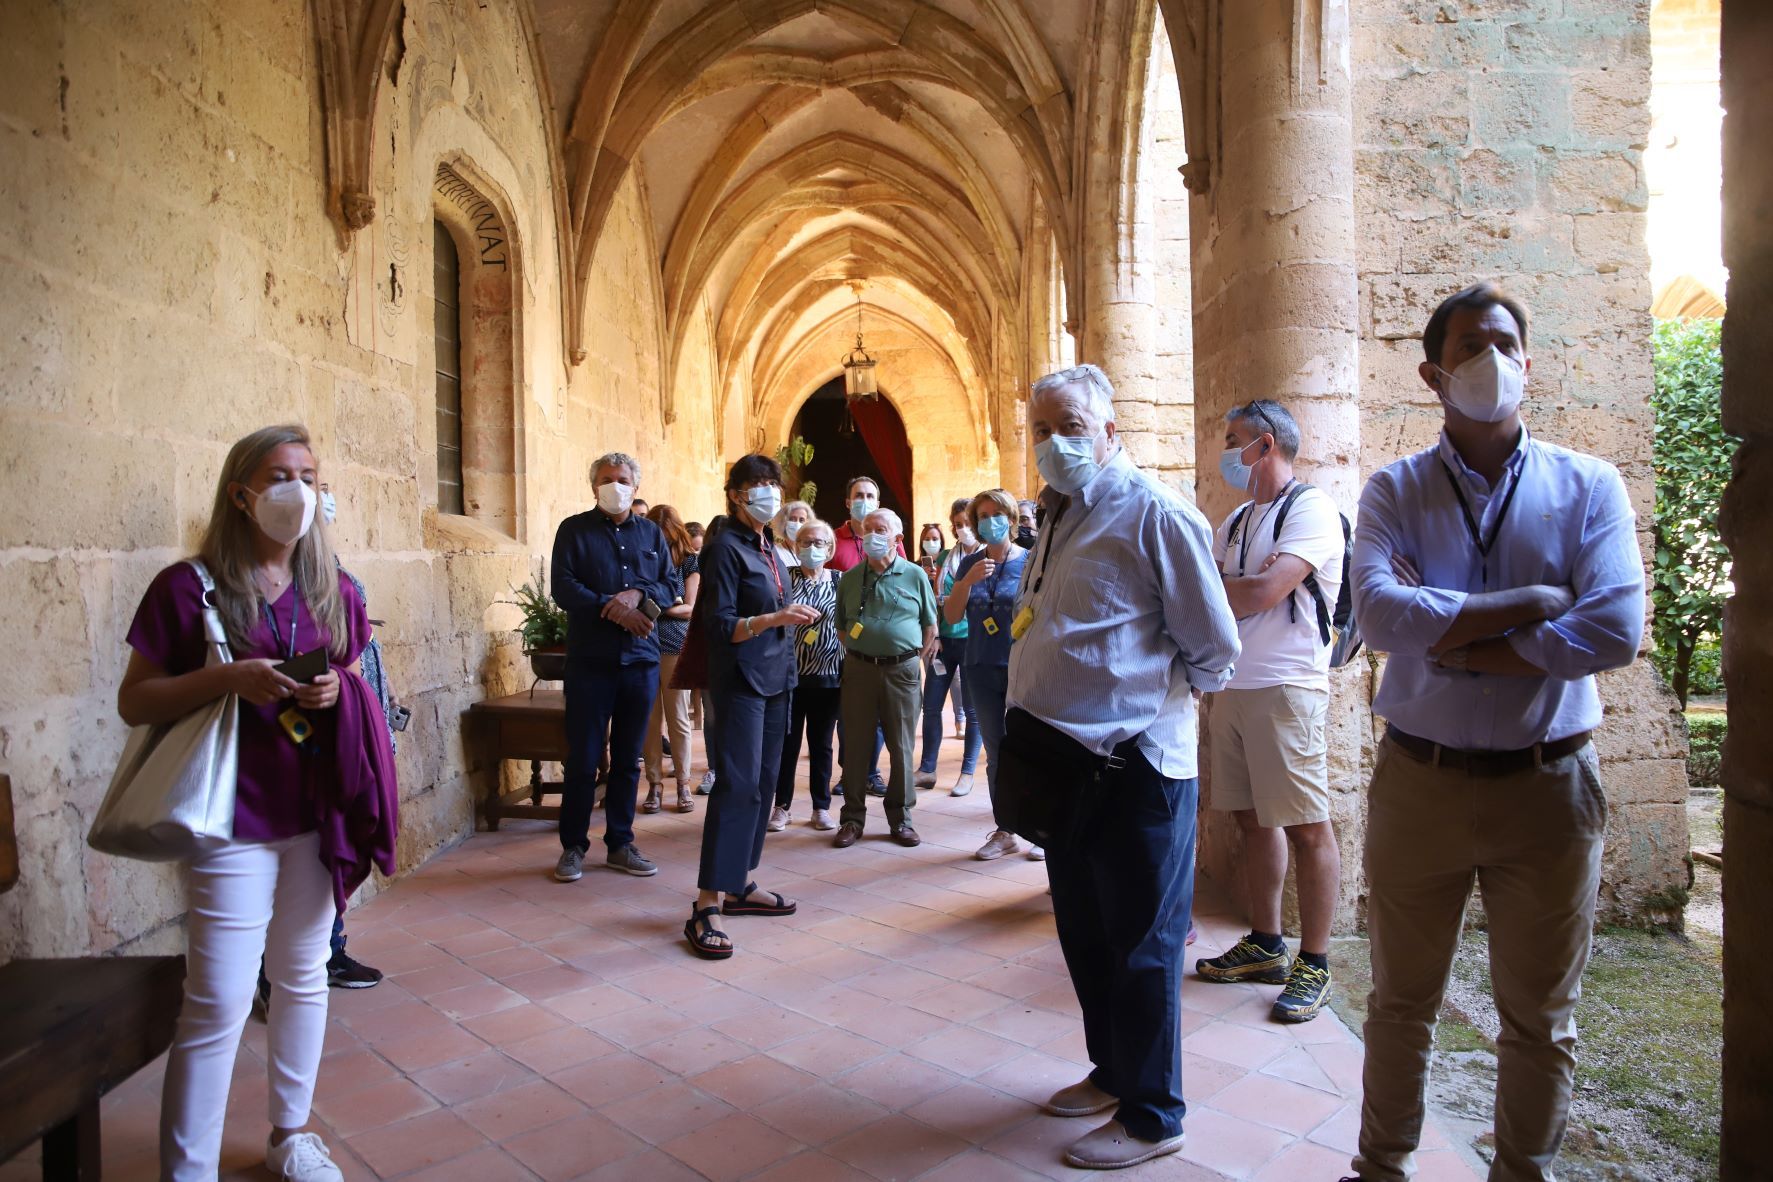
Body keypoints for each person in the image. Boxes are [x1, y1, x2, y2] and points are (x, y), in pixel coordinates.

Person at [1338, 284, 1643, 1182]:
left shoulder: (1588, 485)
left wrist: (1462, 646)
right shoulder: (1393, 489)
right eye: (1469, 346)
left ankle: (1522, 1171)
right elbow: (1381, 620)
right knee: (1400, 1000)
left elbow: (1613, 632)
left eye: (1505, 342)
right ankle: (1381, 1167)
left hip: (1548, 785)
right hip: (1420, 782)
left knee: (1541, 1015)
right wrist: (1533, 606)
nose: (1490, 361)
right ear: (1433, 373)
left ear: (1529, 361)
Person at [119, 425, 396, 1182]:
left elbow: (348, 674)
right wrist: (227, 678)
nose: (297, 492)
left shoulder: (331, 586)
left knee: (304, 972)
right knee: (218, 997)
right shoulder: (190, 586)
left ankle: (291, 1136)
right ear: (241, 493)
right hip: (230, 818)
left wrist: (339, 688)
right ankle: (190, 1168)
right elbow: (136, 701)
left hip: (315, 809)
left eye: (308, 475)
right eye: (279, 475)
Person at [1008, 365, 1238, 1171]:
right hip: (1065, 767)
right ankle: (1113, 1073)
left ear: (1110, 430)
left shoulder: (1155, 513)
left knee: (1141, 942)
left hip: (1133, 766)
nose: (1051, 442)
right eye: (1038, 429)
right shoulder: (1059, 515)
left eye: (1068, 425)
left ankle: (1152, 1114)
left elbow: (1213, 648)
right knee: (1085, 932)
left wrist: (1141, 715)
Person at [1193, 399, 1345, 1024]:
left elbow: (1260, 591)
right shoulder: (1236, 522)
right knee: (1253, 821)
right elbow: (1218, 594)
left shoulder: (1309, 509)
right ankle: (1265, 943)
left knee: (1307, 826)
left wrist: (1203, 589)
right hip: (1233, 687)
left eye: (1235, 440)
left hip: (1287, 687)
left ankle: (1316, 962)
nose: (1227, 452)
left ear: (1268, 445)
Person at [686, 455, 817, 959]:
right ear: (736, 494)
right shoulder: (723, 550)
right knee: (736, 786)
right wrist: (774, 618)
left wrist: (784, 622)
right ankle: (706, 903)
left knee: (763, 786)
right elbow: (720, 625)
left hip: (777, 680)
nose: (768, 493)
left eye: (773, 484)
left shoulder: (771, 547)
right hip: (740, 682)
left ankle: (739, 883)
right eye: (757, 485)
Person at [550, 452, 676, 883]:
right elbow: (564, 587)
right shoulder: (573, 530)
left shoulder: (652, 535)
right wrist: (613, 607)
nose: (615, 485)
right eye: (607, 478)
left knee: (628, 758)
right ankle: (573, 846)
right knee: (584, 758)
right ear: (593, 486)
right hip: (590, 662)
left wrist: (638, 595)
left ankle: (620, 843)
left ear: (635, 487)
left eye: (623, 479)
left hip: (639, 662)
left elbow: (671, 585)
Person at [831, 508, 938, 848]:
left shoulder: (915, 575)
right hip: (860, 669)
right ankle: (851, 819)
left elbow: (930, 626)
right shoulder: (849, 578)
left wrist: (906, 659)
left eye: (881, 530)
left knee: (902, 747)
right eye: (868, 530)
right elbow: (844, 629)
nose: (872, 536)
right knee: (857, 747)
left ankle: (901, 819)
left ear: (898, 538)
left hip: (902, 671)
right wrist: (869, 652)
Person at [945, 488, 1032, 859]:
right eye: (982, 515)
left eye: (996, 513)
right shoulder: (971, 564)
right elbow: (950, 617)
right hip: (980, 667)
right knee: (996, 751)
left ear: (1010, 519)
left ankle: (1040, 830)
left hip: (1023, 668)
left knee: (1030, 749)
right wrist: (967, 582)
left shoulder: (1030, 562)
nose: (988, 521)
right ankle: (1005, 830)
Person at [827, 475, 899, 796]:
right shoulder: (832, 540)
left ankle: (871, 771)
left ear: (879, 502)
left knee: (880, 716)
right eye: (859, 495)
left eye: (871, 495)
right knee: (848, 715)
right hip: (844, 642)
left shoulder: (890, 539)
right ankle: (849, 772)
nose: (864, 500)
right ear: (847, 501)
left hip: (882, 643)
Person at [771, 517, 842, 832]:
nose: (812, 548)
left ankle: (820, 806)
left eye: (819, 543)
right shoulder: (785, 578)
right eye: (805, 542)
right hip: (790, 675)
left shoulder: (840, 580)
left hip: (829, 677)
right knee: (787, 743)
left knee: (822, 743)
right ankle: (781, 806)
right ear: (795, 546)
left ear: (829, 548)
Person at [916, 508, 981, 792]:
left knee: (971, 710)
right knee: (931, 706)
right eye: (957, 524)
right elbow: (935, 600)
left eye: (967, 523)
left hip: (972, 641)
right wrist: (937, 633)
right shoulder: (945, 558)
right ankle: (927, 769)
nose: (962, 529)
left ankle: (967, 772)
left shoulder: (984, 557)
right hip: (944, 642)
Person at [642, 503, 700, 815]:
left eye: (666, 536)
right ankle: (654, 783)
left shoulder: (689, 561)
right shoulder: (643, 556)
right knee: (650, 718)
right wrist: (665, 605)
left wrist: (658, 607)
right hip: (644, 640)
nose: (661, 542)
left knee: (677, 716)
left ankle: (682, 783)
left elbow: (691, 607)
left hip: (676, 643)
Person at [776, 499, 813, 570]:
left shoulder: (812, 552)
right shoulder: (776, 552)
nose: (797, 523)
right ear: (783, 522)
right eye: (792, 519)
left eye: (801, 520)